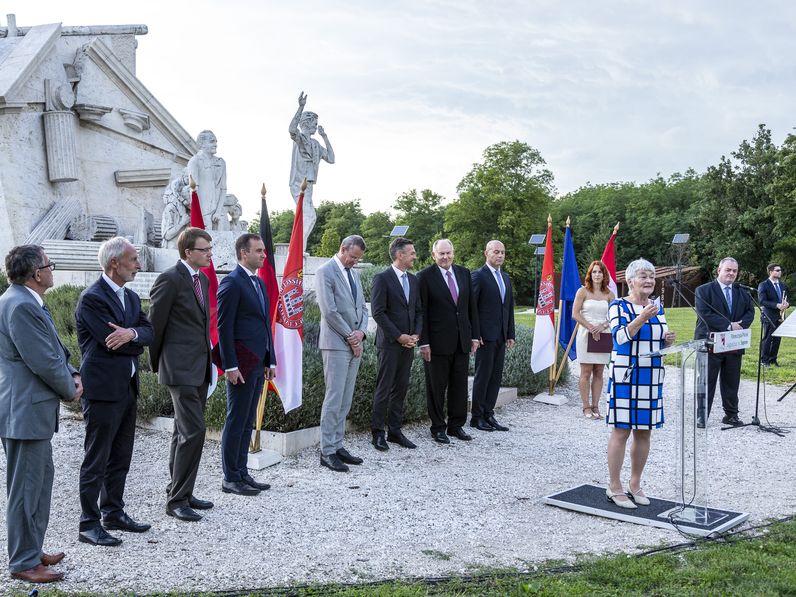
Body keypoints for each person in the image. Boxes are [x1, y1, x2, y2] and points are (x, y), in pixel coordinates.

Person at [0, 245, 81, 583]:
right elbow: (42, 360)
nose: (53, 270)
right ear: (36, 273)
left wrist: (73, 371)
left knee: (37, 483)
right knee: (26, 490)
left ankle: (31, 550)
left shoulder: (22, 300)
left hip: (28, 411)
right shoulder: (19, 305)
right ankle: (23, 562)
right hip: (25, 412)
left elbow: (55, 351)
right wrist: (71, 390)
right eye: (50, 265)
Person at [75, 238, 154, 547]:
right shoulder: (92, 298)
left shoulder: (131, 297)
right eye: (133, 259)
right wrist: (131, 337)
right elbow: (110, 341)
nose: (138, 264)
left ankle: (113, 512)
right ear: (114, 264)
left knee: (121, 456)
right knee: (96, 458)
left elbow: (148, 332)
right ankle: (88, 523)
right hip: (103, 389)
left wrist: (132, 333)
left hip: (127, 388)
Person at [148, 228, 214, 522]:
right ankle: (176, 501)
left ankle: (181, 491)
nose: (210, 253)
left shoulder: (201, 280)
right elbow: (155, 326)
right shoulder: (170, 279)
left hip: (199, 367)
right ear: (189, 252)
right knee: (194, 431)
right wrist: (160, 365)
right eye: (205, 249)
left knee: (182, 431)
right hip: (179, 369)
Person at [605, 259, 675, 509]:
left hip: (650, 376)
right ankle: (615, 486)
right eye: (643, 276)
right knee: (621, 430)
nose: (649, 281)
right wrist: (642, 317)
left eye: (652, 277)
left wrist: (667, 341)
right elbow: (620, 338)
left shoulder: (658, 308)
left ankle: (635, 484)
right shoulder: (617, 306)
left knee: (644, 432)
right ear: (630, 280)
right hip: (626, 374)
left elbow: (656, 343)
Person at [217, 234, 276, 494]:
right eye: (259, 251)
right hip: (240, 364)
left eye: (264, 251)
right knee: (236, 419)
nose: (264, 255)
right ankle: (230, 477)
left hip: (257, 362)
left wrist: (269, 358)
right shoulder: (231, 283)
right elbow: (224, 328)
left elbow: (265, 324)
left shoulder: (258, 283)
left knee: (247, 420)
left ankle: (242, 472)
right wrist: (230, 366)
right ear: (244, 253)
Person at [418, 239, 479, 444]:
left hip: (462, 340)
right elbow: (422, 313)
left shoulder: (464, 273)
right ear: (433, 255)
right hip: (436, 344)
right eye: (441, 254)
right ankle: (437, 427)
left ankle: (456, 426)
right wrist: (423, 342)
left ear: (454, 253)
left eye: (448, 253)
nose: (445, 257)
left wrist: (474, 336)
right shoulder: (424, 277)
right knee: (436, 387)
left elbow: (471, 307)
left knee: (459, 386)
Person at [316, 235, 368, 472]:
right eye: (353, 257)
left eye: (358, 259)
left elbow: (363, 308)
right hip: (335, 343)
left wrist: (361, 334)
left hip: (353, 342)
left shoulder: (353, 274)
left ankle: (338, 444)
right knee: (334, 397)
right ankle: (326, 451)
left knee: (346, 398)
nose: (354, 262)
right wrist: (351, 336)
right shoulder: (325, 271)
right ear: (342, 249)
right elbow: (330, 311)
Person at [369, 237, 422, 451]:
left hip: (408, 344)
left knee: (400, 388)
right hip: (390, 344)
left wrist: (415, 335)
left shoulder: (414, 279)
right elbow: (378, 313)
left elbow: (418, 310)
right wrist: (399, 336)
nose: (414, 256)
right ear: (399, 255)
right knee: (384, 388)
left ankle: (395, 431)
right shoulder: (382, 278)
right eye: (412, 253)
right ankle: (377, 433)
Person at [695, 257, 755, 426]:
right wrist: (729, 325)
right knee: (706, 381)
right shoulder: (703, 290)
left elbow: (750, 312)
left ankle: (731, 415)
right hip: (710, 342)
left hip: (734, 343)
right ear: (718, 270)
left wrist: (739, 326)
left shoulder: (742, 292)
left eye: (734, 271)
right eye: (728, 270)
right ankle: (702, 416)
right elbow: (705, 313)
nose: (731, 273)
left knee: (732, 381)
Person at [470, 240, 515, 432]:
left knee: (496, 377)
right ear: (486, 253)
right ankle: (476, 417)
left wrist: (510, 333)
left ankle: (489, 413)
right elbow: (471, 308)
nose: (500, 255)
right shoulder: (478, 276)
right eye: (496, 252)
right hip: (484, 337)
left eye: (503, 252)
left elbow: (508, 308)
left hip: (501, 335)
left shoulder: (505, 277)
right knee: (483, 376)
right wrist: (475, 333)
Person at [289, 91, 335, 250]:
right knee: (309, 216)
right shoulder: (300, 140)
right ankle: (296, 249)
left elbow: (331, 158)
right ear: (307, 123)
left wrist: (325, 137)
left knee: (305, 217)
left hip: (309, 184)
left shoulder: (316, 144)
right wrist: (300, 107)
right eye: (314, 124)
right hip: (298, 183)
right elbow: (292, 129)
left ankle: (298, 248)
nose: (316, 126)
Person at [572, 260, 615, 420]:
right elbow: (575, 314)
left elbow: (614, 316)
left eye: (600, 272)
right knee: (586, 372)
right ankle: (586, 407)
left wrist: (603, 325)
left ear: (604, 275)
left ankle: (596, 405)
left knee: (599, 371)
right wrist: (591, 327)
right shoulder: (582, 292)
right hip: (585, 333)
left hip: (603, 334)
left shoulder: (610, 294)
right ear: (590, 274)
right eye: (594, 272)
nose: (597, 275)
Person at [186, 130, 227, 231]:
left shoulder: (221, 162)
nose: (216, 145)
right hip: (203, 213)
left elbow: (223, 188)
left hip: (219, 211)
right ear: (202, 144)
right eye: (212, 141)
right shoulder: (195, 161)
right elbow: (194, 191)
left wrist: (218, 211)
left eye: (216, 142)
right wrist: (199, 214)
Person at [758, 263, 789, 367]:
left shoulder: (782, 285)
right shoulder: (764, 284)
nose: (780, 272)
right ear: (771, 272)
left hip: (780, 316)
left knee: (777, 339)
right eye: (777, 270)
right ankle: (764, 360)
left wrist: (787, 304)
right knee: (767, 339)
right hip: (768, 316)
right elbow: (762, 301)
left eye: (780, 270)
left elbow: (786, 298)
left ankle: (773, 359)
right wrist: (777, 305)